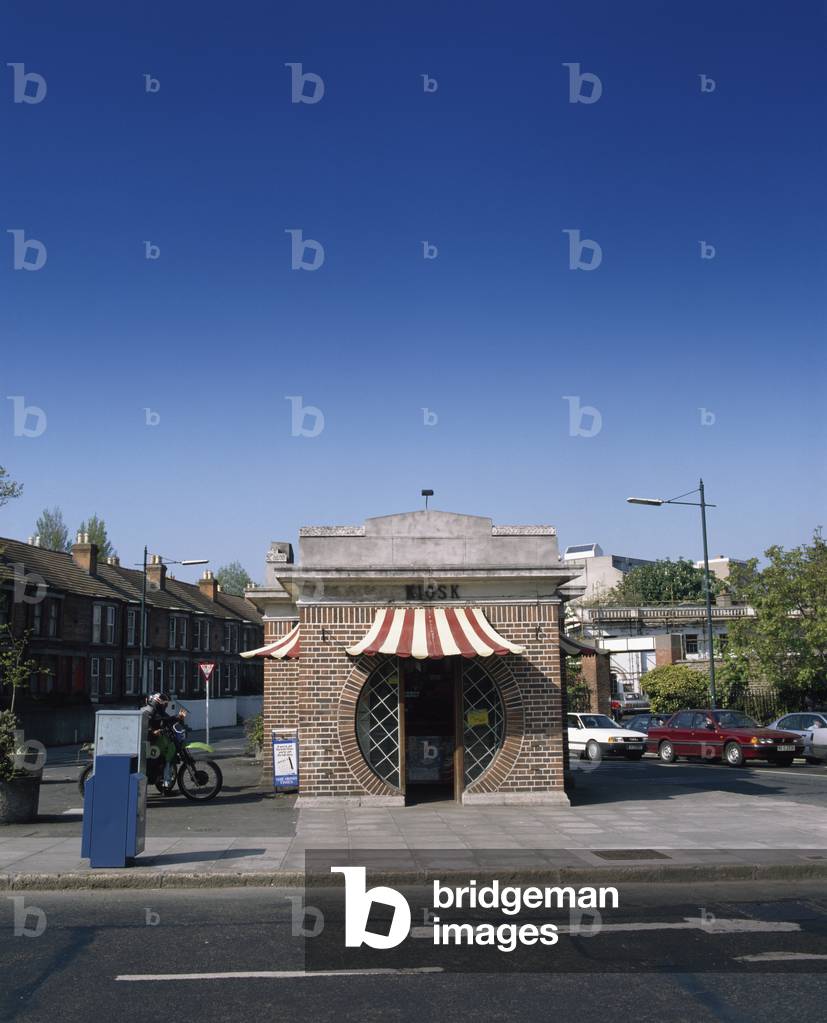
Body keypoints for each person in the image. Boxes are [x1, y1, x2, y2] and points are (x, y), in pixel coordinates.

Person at [146, 692, 187, 789]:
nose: (165, 706)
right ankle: (156, 777)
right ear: (157, 703)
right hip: (149, 741)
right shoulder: (150, 712)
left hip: (155, 739)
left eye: (166, 704)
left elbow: (167, 719)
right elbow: (156, 721)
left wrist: (179, 719)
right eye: (164, 704)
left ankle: (164, 783)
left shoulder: (159, 712)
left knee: (163, 755)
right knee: (154, 758)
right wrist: (152, 731)